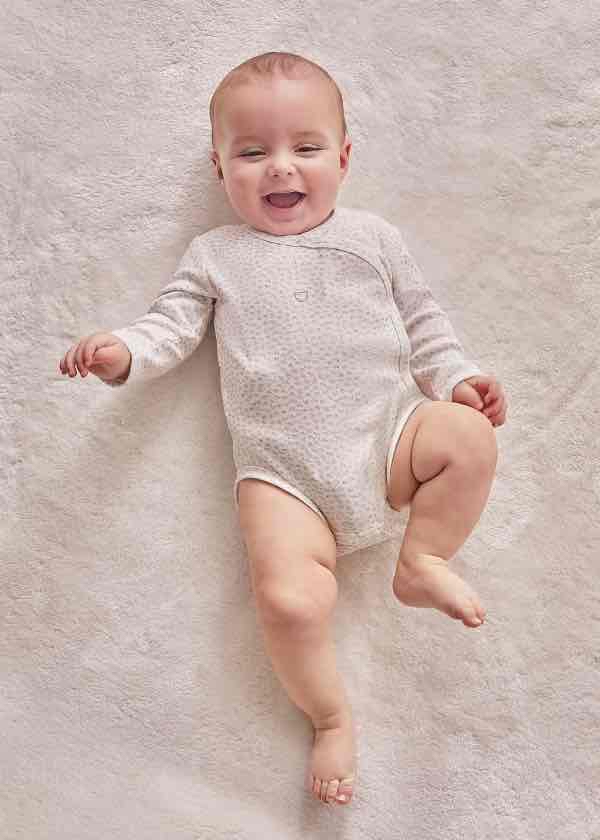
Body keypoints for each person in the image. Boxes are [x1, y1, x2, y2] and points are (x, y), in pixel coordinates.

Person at [59, 51, 508, 807]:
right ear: (219, 167)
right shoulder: (215, 255)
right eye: (251, 153)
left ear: (343, 158)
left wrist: (459, 379)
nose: (280, 168)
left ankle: (422, 558)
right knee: (288, 602)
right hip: (284, 478)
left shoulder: (373, 238)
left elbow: (426, 324)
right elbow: (170, 327)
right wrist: (122, 353)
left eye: (305, 147)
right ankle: (331, 716)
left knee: (471, 436)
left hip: (390, 438)